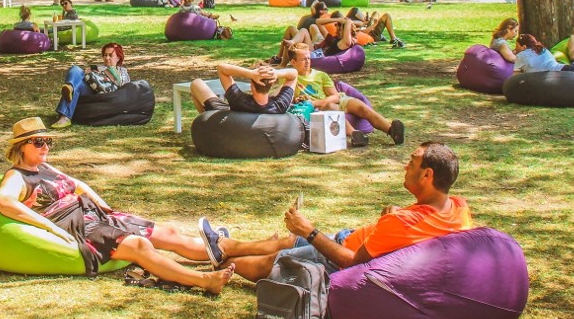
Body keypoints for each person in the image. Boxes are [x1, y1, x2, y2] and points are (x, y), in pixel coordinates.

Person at [0, 117, 234, 292]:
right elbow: (5, 201)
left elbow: (78, 184)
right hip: (78, 225)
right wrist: (49, 226)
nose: (46, 147)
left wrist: (104, 207)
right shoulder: (17, 176)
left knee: (168, 232)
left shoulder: (44, 166)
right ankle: (204, 281)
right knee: (139, 245)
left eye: (48, 141)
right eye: (38, 142)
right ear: (21, 146)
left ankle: (238, 250)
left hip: (93, 214)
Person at [197, 142, 471, 281]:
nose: (405, 167)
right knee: (288, 241)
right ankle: (225, 246)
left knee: (274, 260)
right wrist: (395, 215)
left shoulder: (403, 223)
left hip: (338, 258)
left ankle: (218, 269)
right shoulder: (459, 208)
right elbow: (418, 229)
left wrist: (310, 231)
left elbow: (351, 263)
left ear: (427, 174)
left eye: (412, 163)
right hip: (350, 238)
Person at [287, 47, 404, 147]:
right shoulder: (291, 78)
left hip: (335, 100)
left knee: (363, 108)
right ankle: (356, 135)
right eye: (303, 59)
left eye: (308, 58)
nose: (307, 62)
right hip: (322, 109)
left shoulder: (320, 75)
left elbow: (335, 96)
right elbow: (286, 98)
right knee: (330, 107)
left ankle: (391, 130)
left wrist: (315, 103)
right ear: (293, 62)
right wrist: (297, 100)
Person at [53, 42, 132, 128]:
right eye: (105, 55)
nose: (107, 58)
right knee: (75, 70)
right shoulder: (100, 68)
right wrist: (89, 73)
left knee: (77, 85)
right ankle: (70, 88)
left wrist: (109, 74)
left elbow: (124, 86)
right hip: (92, 90)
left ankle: (65, 115)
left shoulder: (122, 71)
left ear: (118, 58)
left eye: (110, 55)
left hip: (105, 96)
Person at [189, 61, 297, 115]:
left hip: (227, 119)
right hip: (242, 120)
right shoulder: (280, 105)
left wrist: (250, 73)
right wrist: (276, 73)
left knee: (196, 83)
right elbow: (294, 74)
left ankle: (206, 121)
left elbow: (221, 68)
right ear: (272, 84)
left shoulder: (239, 100)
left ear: (252, 85)